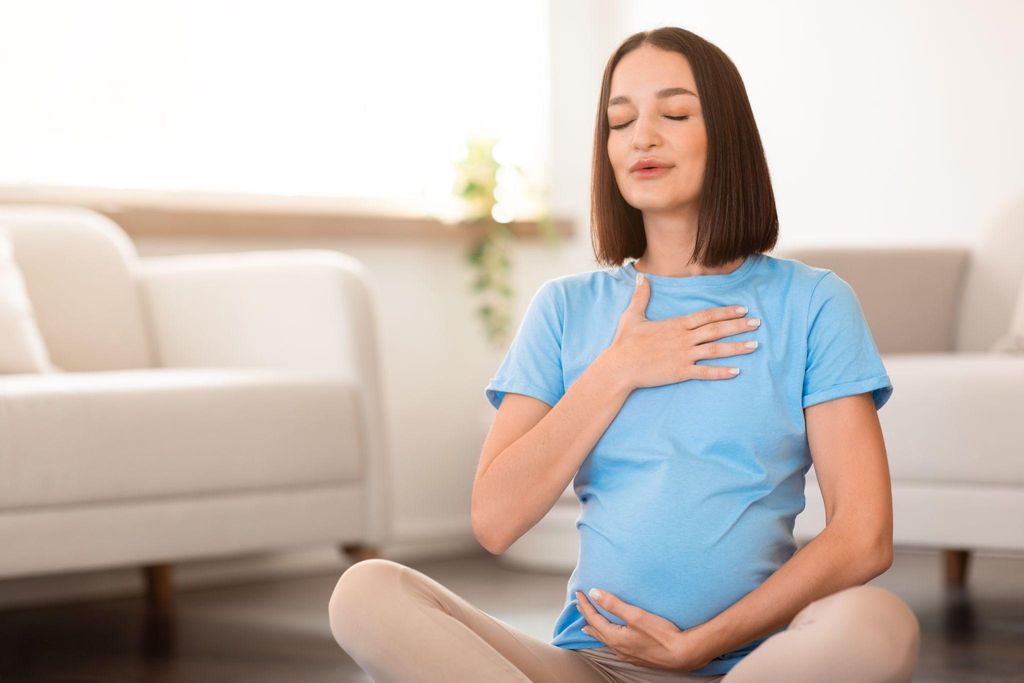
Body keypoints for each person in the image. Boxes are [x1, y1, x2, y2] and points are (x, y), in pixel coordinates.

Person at [328, 25, 921, 682]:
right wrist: (618, 369)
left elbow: (863, 534)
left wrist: (701, 644)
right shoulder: (565, 308)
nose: (642, 136)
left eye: (673, 113)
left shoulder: (812, 304)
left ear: (725, 134)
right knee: (366, 591)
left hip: (752, 666)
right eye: (619, 121)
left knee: (881, 622)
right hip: (593, 666)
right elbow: (495, 520)